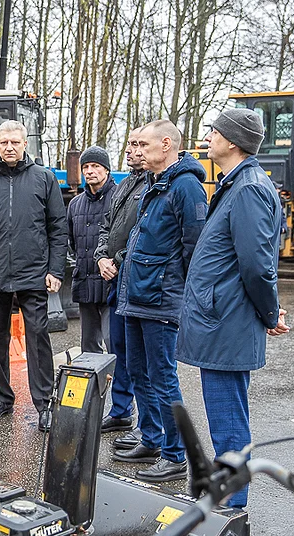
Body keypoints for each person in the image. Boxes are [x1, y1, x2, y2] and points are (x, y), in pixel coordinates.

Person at [177, 108, 289, 508]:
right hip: (223, 320)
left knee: (228, 423)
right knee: (225, 420)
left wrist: (269, 312)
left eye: (215, 131)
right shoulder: (236, 185)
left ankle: (232, 506)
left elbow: (258, 265)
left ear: (234, 142)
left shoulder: (249, 189)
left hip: (228, 323)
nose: (208, 136)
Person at [111, 120, 206, 483]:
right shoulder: (153, 183)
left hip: (161, 300)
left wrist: (177, 291)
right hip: (137, 295)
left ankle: (175, 453)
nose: (138, 152)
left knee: (164, 378)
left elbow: (194, 248)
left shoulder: (186, 187)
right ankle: (151, 438)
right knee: (139, 372)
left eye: (145, 145)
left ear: (166, 145)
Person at [0, 120, 66, 432]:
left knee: (37, 337)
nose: (10, 147)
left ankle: (43, 402)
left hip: (33, 273)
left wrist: (56, 269)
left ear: (25, 144)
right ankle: (3, 396)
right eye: (5, 142)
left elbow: (57, 228)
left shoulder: (43, 178)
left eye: (15, 142)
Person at [95, 129, 145, 442]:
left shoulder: (153, 184)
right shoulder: (125, 184)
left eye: (139, 144)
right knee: (119, 348)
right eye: (129, 144)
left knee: (142, 357)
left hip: (133, 277)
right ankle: (121, 411)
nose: (131, 150)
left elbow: (144, 231)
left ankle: (149, 427)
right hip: (116, 278)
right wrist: (102, 257)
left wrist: (119, 259)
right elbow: (107, 227)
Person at [67, 145, 114, 354]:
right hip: (85, 281)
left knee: (114, 343)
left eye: (95, 166)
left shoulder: (119, 198)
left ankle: (121, 387)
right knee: (88, 348)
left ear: (106, 169)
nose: (89, 171)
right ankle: (95, 387)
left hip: (111, 284)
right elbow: (71, 241)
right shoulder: (75, 204)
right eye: (85, 166)